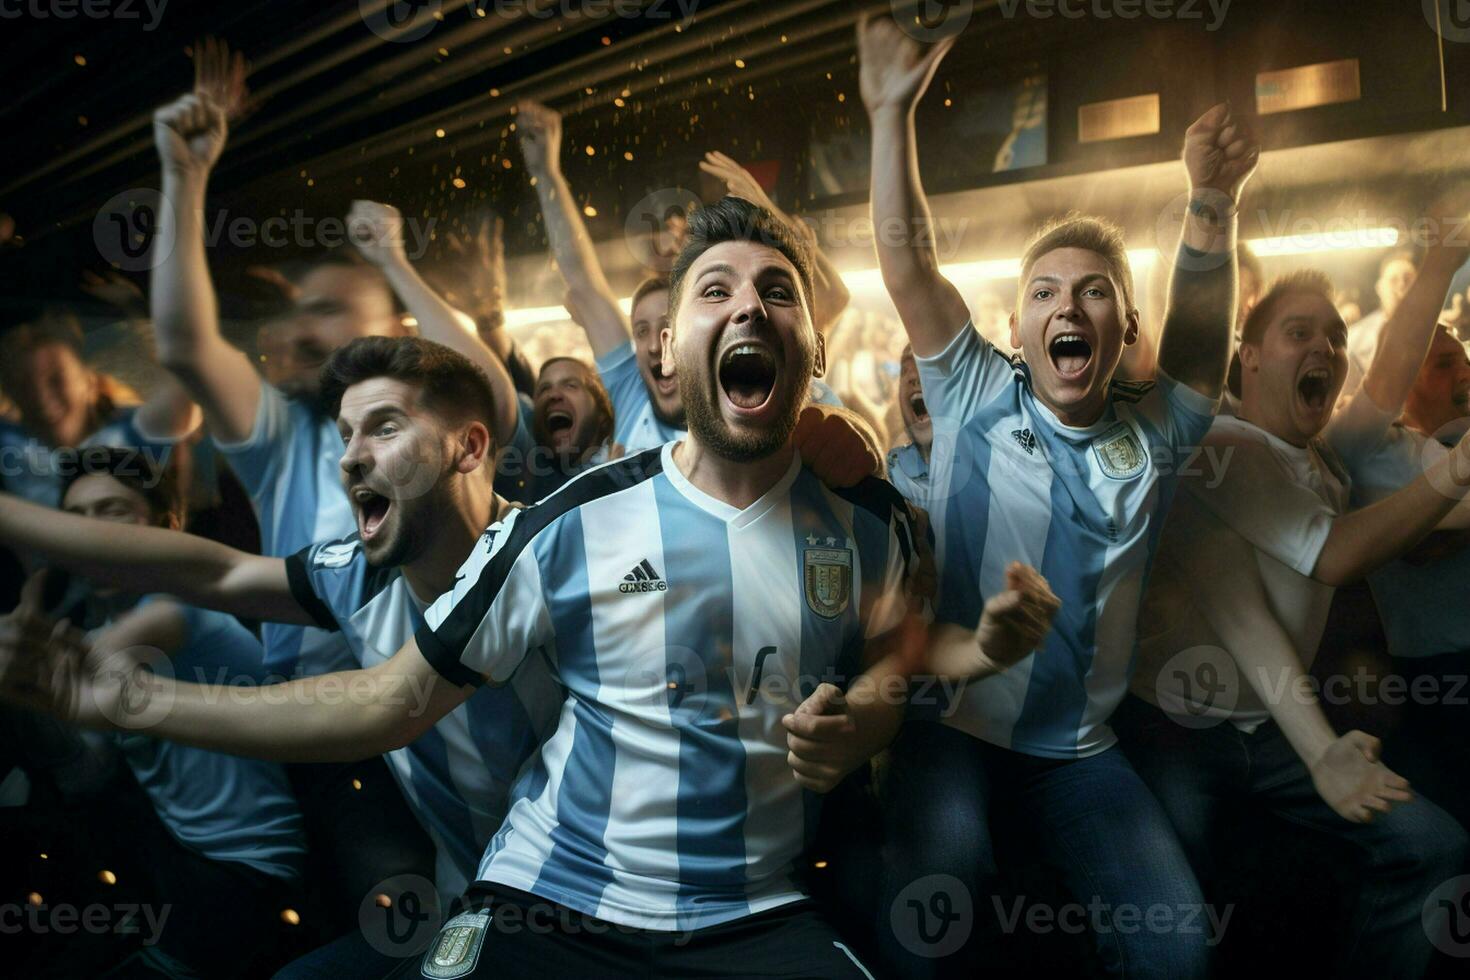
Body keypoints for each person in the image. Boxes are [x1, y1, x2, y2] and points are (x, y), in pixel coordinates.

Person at [0, 197, 1059, 980]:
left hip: (752, 912)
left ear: (814, 348)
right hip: (553, 903)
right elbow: (383, 695)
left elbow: (897, 656)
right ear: (669, 360)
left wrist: (896, 703)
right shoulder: (568, 523)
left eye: (777, 290)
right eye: (716, 290)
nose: (749, 304)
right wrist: (132, 698)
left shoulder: (874, 524)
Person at [859, 12, 1256, 976]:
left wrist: (1209, 200)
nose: (1066, 307)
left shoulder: (1154, 429)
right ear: (1016, 325)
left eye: (1091, 292)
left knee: (1178, 957)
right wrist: (888, 113)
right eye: (1044, 293)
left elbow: (1203, 342)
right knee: (932, 920)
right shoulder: (974, 389)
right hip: (949, 724)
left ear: (1121, 329)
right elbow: (908, 266)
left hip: (1078, 751)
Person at [0, 337, 564, 975]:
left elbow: (383, 708)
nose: (351, 458)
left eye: (383, 428)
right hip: (466, 906)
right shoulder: (355, 574)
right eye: (346, 435)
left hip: (572, 913)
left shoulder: (544, 555)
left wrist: (133, 700)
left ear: (470, 446)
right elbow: (218, 574)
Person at [1122, 252, 1470, 978]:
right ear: (1247, 357)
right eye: (1298, 333)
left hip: (1276, 732)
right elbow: (1333, 555)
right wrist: (1452, 474)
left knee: (1434, 846)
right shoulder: (1216, 449)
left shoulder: (1321, 456)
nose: (1326, 349)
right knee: (1178, 921)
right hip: (1182, 733)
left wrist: (1440, 259)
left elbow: (1386, 380)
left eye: (1336, 338)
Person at [5, 450, 305, 979]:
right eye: (74, 520)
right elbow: (81, 768)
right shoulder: (113, 622)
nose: (89, 535)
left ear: (168, 526)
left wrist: (26, 627)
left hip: (249, 879)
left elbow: (72, 671)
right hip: (183, 866)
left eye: (112, 512)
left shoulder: (177, 609)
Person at [515, 101, 852, 456]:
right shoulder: (633, 392)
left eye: (667, 327)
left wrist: (767, 220)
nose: (657, 345)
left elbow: (829, 304)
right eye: (641, 330)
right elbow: (582, 280)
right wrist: (546, 172)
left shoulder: (778, 409)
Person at [0, 310, 198, 511]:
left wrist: (135, 309)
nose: (41, 397)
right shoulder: (6, 443)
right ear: (8, 391)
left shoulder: (136, 432)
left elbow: (182, 393)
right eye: (23, 384)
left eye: (56, 379)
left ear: (88, 379)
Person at [886, 344, 933, 506]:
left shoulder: (990, 466)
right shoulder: (893, 471)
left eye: (926, 365)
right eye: (904, 371)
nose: (912, 376)